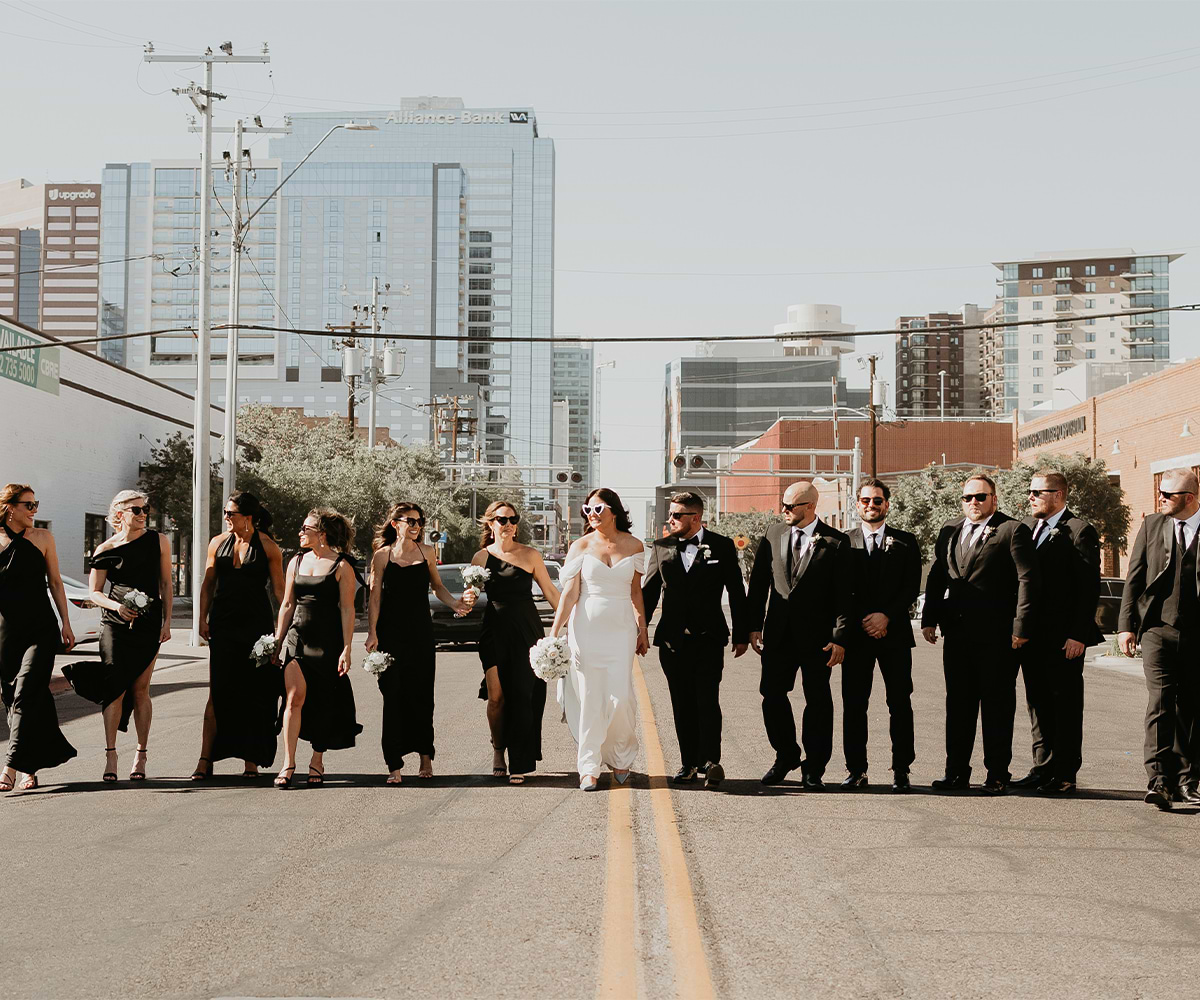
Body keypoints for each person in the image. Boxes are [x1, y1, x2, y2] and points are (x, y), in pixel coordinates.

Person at [921, 472, 1038, 794]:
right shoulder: (950, 530)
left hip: (998, 636)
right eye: (968, 498)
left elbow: (1027, 580)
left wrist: (1021, 626)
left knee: (997, 706)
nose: (974, 503)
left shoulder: (1012, 530)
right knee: (958, 705)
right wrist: (929, 618)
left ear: (994, 499)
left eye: (980, 497)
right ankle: (955, 772)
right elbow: (937, 575)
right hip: (957, 634)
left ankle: (997, 773)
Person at [747, 480, 852, 788]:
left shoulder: (836, 542)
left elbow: (844, 594)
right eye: (783, 504)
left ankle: (814, 768)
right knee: (772, 694)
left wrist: (840, 636)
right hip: (777, 635)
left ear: (810, 507)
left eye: (790, 506)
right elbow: (758, 585)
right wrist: (753, 626)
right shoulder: (773, 534)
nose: (784, 510)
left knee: (817, 700)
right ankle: (787, 754)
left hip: (818, 638)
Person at [63, 489, 172, 783]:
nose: (143, 515)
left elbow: (165, 582)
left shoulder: (158, 541)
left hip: (149, 623)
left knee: (140, 690)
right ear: (120, 513)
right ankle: (111, 754)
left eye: (145, 509)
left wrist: (167, 622)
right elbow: (94, 592)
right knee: (115, 688)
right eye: (136, 510)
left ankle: (141, 753)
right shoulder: (105, 549)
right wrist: (117, 607)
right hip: (114, 623)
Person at [641, 490, 748, 788]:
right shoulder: (661, 547)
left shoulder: (722, 546)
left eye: (677, 515)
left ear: (696, 517)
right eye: (670, 514)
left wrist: (742, 634)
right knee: (682, 703)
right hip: (673, 642)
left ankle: (711, 762)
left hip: (709, 639)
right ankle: (688, 763)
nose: (670, 519)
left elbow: (737, 593)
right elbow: (649, 593)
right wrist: (639, 631)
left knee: (707, 700)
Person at [1012, 470, 1103, 795]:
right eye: (1030, 491)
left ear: (1059, 494)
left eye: (1038, 492)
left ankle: (1064, 773)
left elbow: (1087, 588)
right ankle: (1042, 768)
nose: (1031, 497)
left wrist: (1078, 634)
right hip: (1032, 639)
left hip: (1065, 640)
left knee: (1064, 706)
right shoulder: (1027, 529)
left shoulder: (1080, 531)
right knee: (1037, 704)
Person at [551, 488, 648, 791]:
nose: (591, 515)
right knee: (591, 698)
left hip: (621, 628)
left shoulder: (634, 545)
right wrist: (554, 635)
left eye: (598, 509)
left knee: (621, 698)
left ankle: (621, 757)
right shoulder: (579, 546)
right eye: (588, 510)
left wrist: (642, 629)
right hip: (586, 628)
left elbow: (635, 592)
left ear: (615, 511)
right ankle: (588, 766)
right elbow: (569, 595)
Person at [366, 502, 467, 785]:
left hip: (421, 633)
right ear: (395, 522)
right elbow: (375, 597)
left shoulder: (427, 552)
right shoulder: (382, 556)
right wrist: (372, 632)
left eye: (419, 521)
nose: (416, 525)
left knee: (422, 695)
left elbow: (437, 586)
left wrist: (455, 604)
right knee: (393, 695)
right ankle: (394, 763)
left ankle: (426, 756)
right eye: (410, 520)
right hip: (390, 634)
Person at [1118, 468, 1200, 810]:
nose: (1161, 498)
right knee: (1161, 702)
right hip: (1157, 630)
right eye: (1160, 492)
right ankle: (1159, 780)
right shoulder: (1152, 526)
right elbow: (1134, 577)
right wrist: (1126, 626)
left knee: (1193, 707)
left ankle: (1188, 780)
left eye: (1168, 495)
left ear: (1190, 499)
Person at [463, 500, 560, 785]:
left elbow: (552, 593)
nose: (508, 524)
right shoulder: (480, 558)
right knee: (496, 697)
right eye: (502, 519)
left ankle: (519, 761)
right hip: (494, 629)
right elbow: (471, 596)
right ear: (490, 524)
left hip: (526, 631)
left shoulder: (531, 555)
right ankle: (497, 749)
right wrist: (467, 600)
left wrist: (570, 623)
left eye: (512, 519)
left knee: (521, 695)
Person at [192, 492, 285, 780]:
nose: (226, 518)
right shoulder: (218, 543)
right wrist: (201, 618)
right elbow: (208, 584)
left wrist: (282, 633)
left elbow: (281, 593)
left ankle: (251, 760)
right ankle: (205, 759)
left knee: (254, 693)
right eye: (225, 512)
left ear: (248, 517)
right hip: (223, 624)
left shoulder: (269, 547)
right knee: (218, 691)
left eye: (230, 513)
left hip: (256, 627)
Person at [840, 479, 922, 793]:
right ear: (857, 505)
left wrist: (885, 615)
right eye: (865, 501)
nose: (871, 506)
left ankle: (901, 770)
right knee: (854, 704)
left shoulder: (906, 541)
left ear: (887, 504)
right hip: (857, 637)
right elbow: (841, 589)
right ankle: (856, 769)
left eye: (877, 501)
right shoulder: (844, 542)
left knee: (900, 703)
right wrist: (864, 620)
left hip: (895, 634)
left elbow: (911, 586)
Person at [272, 508, 363, 789]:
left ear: (321, 534)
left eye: (306, 528)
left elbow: (348, 610)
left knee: (323, 701)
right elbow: (287, 604)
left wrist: (347, 648)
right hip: (297, 638)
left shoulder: (342, 566)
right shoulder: (296, 561)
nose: (300, 532)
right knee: (294, 697)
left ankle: (317, 759)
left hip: (327, 641)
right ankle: (288, 763)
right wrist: (277, 641)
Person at [0, 485, 77, 792]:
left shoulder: (44, 538)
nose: (34, 510)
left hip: (40, 630)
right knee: (15, 697)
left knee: (25, 691)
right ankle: (30, 766)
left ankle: (10, 765)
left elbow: (56, 583)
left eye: (36, 504)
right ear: (10, 508)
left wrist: (65, 623)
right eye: (28, 505)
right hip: (5, 633)